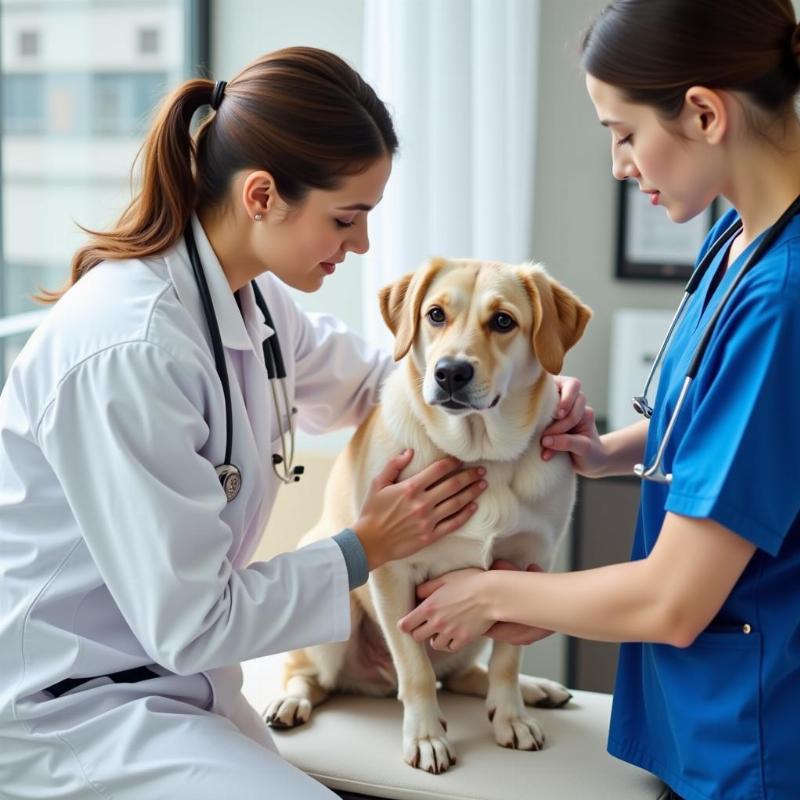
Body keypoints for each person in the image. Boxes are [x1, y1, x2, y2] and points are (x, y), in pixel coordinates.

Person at [0, 47, 497, 798]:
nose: (359, 245)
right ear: (262, 195)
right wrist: (365, 547)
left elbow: (375, 382)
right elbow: (193, 619)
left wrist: (536, 393)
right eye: (346, 217)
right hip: (69, 710)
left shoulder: (252, 303)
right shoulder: (128, 347)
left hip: (177, 681)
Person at [399, 2, 800, 798]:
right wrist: (606, 448)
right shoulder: (736, 241)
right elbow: (724, 428)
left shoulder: (784, 298)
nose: (619, 163)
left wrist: (491, 593)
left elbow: (675, 599)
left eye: (622, 133)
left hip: (759, 731)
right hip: (701, 713)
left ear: (703, 113)